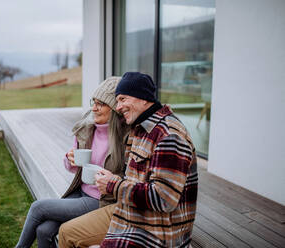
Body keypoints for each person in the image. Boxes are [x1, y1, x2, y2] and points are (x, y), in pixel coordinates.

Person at [59, 72, 198, 248]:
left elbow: (164, 199)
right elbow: (136, 180)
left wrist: (113, 185)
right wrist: (113, 179)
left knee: (71, 235)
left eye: (123, 99)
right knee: (66, 231)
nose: (118, 107)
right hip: (133, 209)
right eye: (117, 101)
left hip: (157, 227)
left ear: (144, 99)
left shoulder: (169, 135)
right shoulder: (140, 129)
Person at [15, 77, 129, 248]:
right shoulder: (87, 129)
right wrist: (70, 160)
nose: (94, 108)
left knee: (38, 207)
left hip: (101, 200)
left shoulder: (125, 137)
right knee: (44, 230)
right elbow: (71, 166)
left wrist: (111, 179)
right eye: (94, 102)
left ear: (114, 108)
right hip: (81, 191)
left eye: (101, 104)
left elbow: (128, 175)